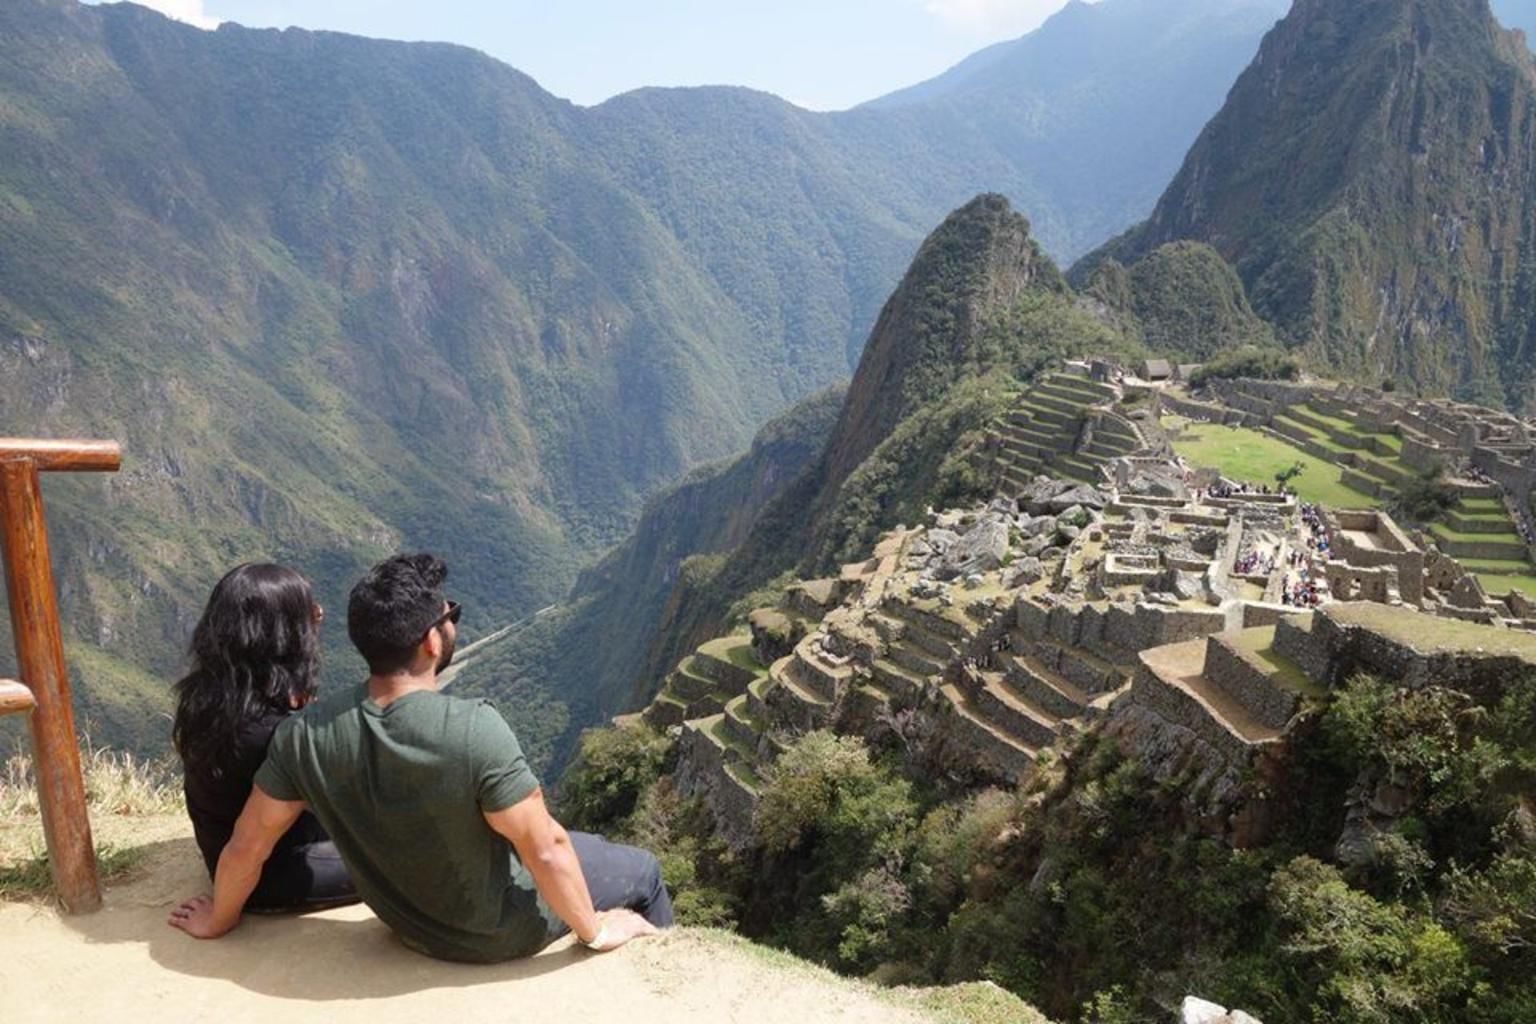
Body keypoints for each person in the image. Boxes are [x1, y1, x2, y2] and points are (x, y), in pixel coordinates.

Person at [168, 553, 669, 960]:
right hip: (493, 929)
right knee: (642, 870)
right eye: (449, 616)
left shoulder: (294, 733)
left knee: (587, 843)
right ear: (432, 640)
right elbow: (546, 848)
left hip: (400, 918)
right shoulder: (475, 727)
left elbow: (245, 843)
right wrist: (595, 932)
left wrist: (218, 918)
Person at [172, 564, 358, 911]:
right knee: (405, 855)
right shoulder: (274, 734)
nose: (320, 615)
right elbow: (249, 848)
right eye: (309, 615)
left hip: (224, 847)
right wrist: (219, 917)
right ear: (282, 635)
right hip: (267, 876)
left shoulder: (211, 696)